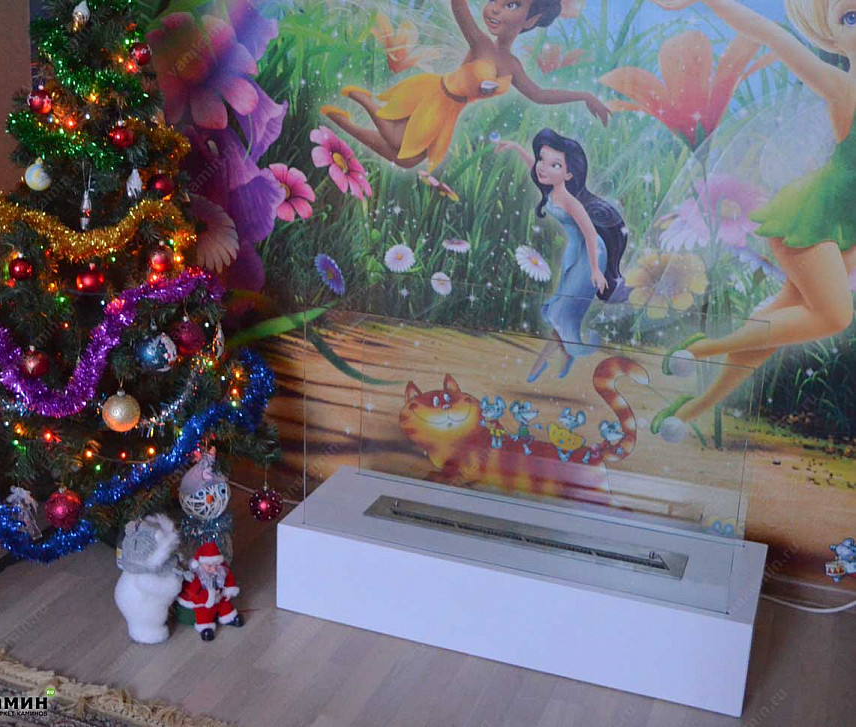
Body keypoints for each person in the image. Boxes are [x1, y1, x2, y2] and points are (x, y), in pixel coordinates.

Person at [650, 0, 856, 440]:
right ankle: (707, 347)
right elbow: (769, 33)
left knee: (780, 324)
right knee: (835, 316)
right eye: (851, 17)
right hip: (814, 218)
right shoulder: (843, 87)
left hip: (847, 228)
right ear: (832, 35)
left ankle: (691, 410)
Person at [322, 0, 609, 173]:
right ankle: (364, 102)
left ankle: (347, 119)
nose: (495, 8)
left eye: (512, 5)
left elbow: (540, 95)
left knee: (408, 160)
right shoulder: (481, 43)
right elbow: (459, 6)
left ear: (531, 19)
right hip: (436, 96)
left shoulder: (512, 65)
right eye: (495, 0)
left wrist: (583, 95)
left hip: (450, 111)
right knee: (400, 144)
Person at [496, 128, 628, 381]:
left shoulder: (569, 201)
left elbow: (591, 235)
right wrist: (516, 147)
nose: (543, 167)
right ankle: (567, 355)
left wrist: (595, 269)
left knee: (561, 311)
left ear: (569, 174)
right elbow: (534, 168)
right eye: (542, 159)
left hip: (591, 254)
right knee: (562, 309)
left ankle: (543, 362)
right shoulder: (549, 189)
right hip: (575, 252)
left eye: (555, 164)